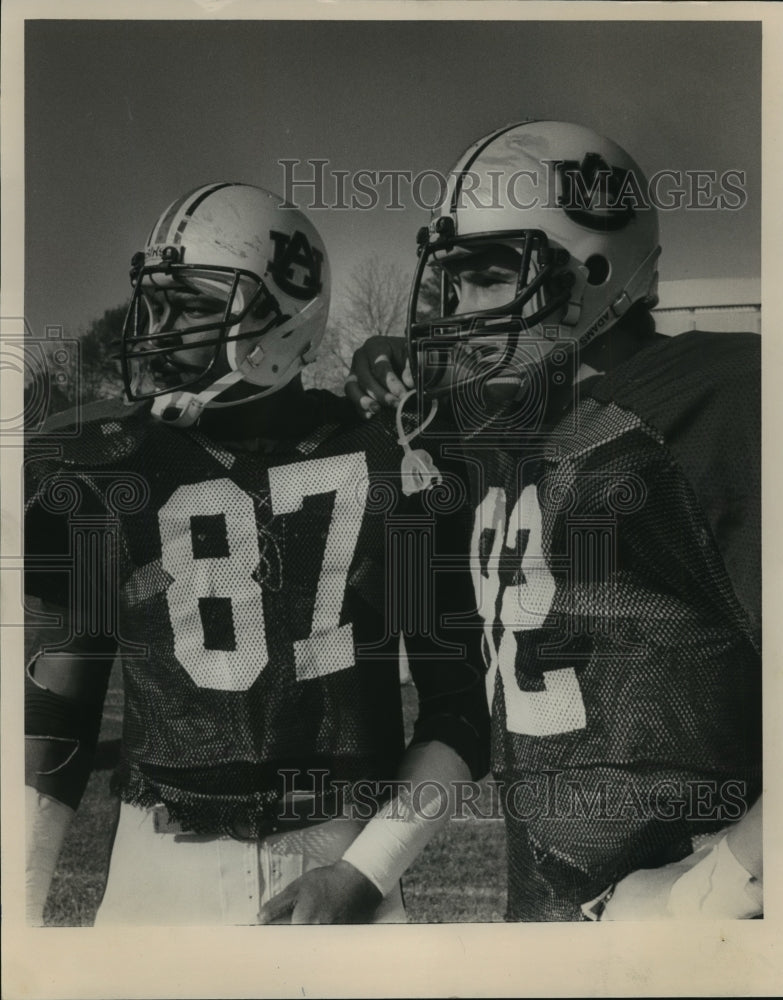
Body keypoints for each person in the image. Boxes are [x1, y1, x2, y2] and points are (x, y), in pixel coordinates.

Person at [24, 182, 488, 926]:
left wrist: (366, 873)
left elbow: (461, 708)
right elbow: (55, 717)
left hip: (341, 855)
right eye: (158, 302)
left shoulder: (389, 460)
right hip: (160, 870)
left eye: (195, 305)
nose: (160, 328)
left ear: (282, 317)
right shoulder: (111, 466)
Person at [345, 120, 762, 921]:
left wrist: (714, 893)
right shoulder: (510, 424)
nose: (455, 308)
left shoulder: (721, 401)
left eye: (486, 275)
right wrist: (386, 360)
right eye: (452, 280)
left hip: (695, 941)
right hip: (544, 915)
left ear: (592, 273)